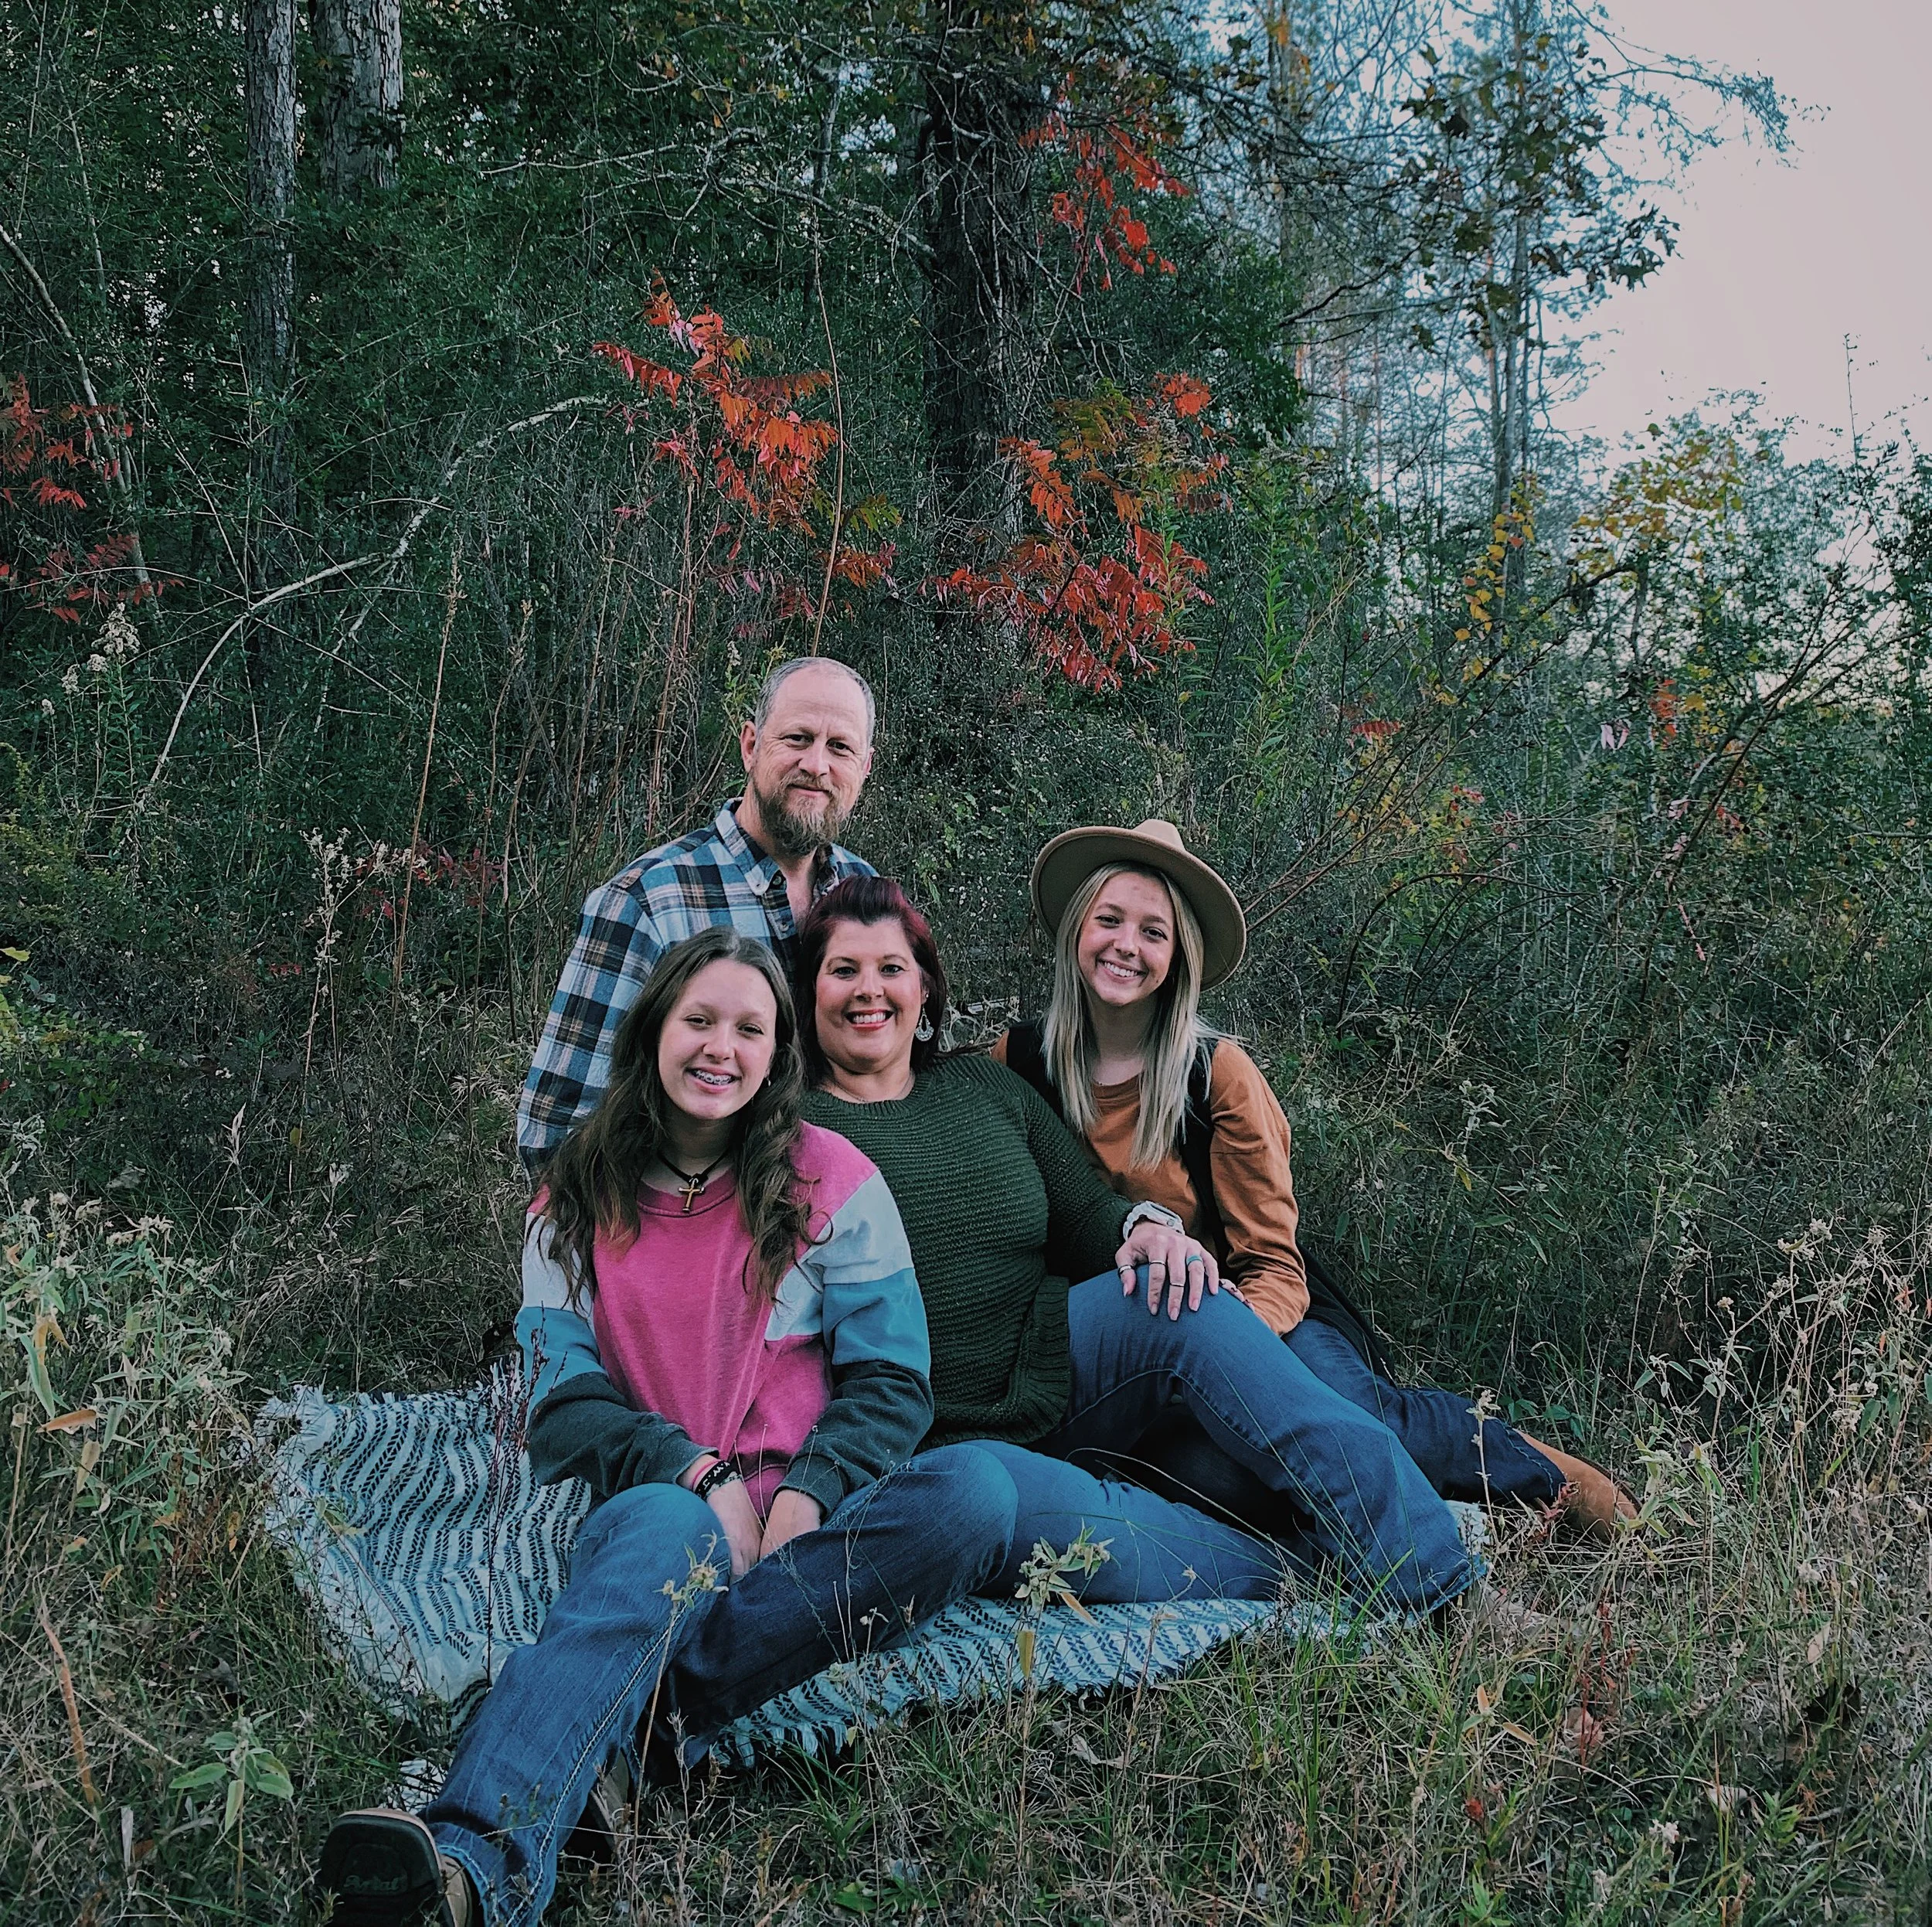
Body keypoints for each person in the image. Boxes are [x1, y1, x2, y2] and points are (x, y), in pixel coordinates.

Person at [317, 930, 1019, 1927]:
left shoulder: (835, 1178)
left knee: (978, 1493)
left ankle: (623, 1732)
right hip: (660, 1514)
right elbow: (564, 1400)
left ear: (778, 1054)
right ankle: (466, 1869)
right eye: (697, 1020)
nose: (719, 1048)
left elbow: (894, 1383)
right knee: (668, 1533)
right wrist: (695, 1476)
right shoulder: (573, 1197)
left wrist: (809, 1494)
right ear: (653, 1031)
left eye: (749, 1027)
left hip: (807, 1535)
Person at [794, 876, 1481, 1619]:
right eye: (844, 970)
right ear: (810, 992)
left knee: (1187, 1297)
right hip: (945, 1445)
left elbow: (1087, 1211)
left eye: (891, 969)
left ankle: (1440, 1580)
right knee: (1188, 1548)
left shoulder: (981, 1087)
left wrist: (1145, 1230)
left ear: (924, 989)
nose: (871, 991)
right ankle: (1323, 1571)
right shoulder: (787, 1135)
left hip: (1056, 1351)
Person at [995, 818, 1635, 1540]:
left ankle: (1573, 1490)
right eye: (1109, 919)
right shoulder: (1015, 1064)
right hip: (1126, 1334)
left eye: (1153, 932)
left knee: (1354, 1419)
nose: (1126, 946)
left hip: (1257, 1307)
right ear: (1078, 926)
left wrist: (1228, 1333)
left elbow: (1274, 1262)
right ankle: (1411, 1525)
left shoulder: (1217, 1076)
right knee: (1223, 1482)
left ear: (1177, 957)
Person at [518, 656, 879, 1171]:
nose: (817, 765)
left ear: (864, 766)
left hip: (843, 1228)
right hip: (692, 1233)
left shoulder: (868, 895)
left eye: (839, 746)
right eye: (798, 738)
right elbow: (556, 1131)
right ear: (751, 745)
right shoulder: (649, 901)